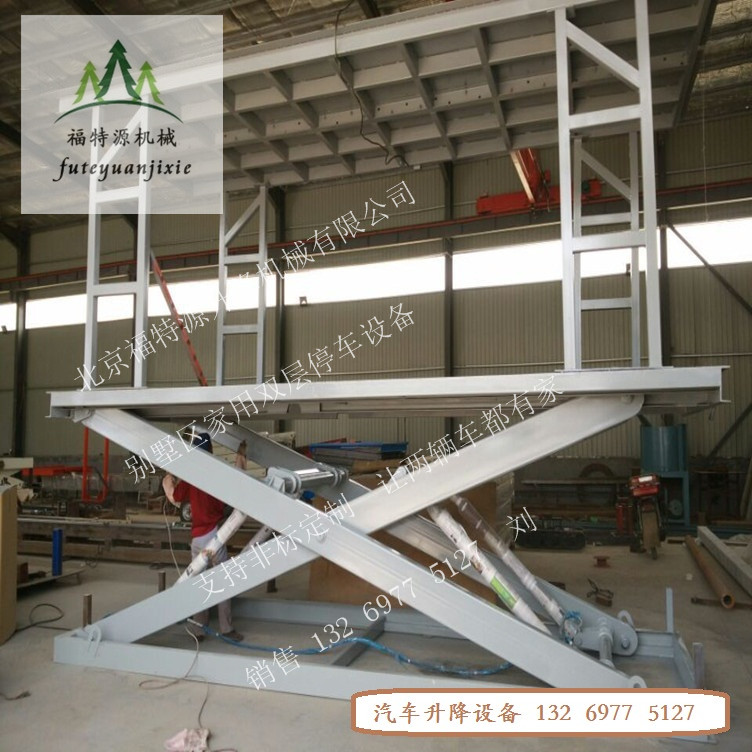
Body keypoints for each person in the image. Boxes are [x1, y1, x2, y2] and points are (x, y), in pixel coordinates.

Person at [162, 431, 243, 642]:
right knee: (223, 582)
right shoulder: (216, 472)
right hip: (214, 536)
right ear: (211, 450)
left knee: (199, 584)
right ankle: (226, 628)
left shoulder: (191, 474)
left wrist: (170, 477)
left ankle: (198, 630)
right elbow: (234, 490)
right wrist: (240, 457)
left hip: (197, 539)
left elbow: (176, 496)